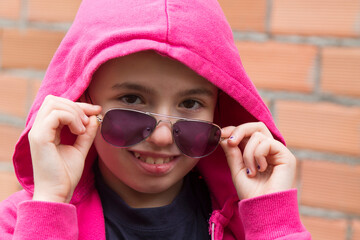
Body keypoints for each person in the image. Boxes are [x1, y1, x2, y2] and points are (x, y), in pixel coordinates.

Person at [0, 0, 311, 239]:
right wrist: (50, 204)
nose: (162, 138)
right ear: (82, 101)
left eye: (190, 103)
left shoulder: (249, 224)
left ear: (218, 111)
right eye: (132, 100)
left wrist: (273, 221)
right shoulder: (23, 220)